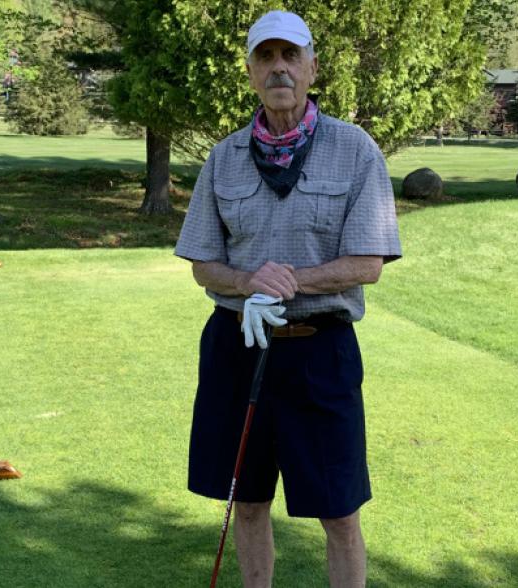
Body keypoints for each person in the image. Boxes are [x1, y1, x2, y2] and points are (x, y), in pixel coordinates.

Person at [174, 10, 401, 587]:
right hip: (237, 348)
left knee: (339, 512)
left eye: (290, 56)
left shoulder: (355, 150)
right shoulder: (223, 158)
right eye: (266, 57)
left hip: (320, 353)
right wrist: (248, 282)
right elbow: (202, 262)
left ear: (311, 67)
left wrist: (289, 279)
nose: (279, 68)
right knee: (246, 501)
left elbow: (369, 264)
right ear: (250, 71)